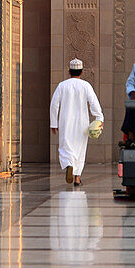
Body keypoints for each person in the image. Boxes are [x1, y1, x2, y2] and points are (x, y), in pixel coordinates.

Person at [50, 58, 104, 186]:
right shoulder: (86, 86)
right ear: (82, 72)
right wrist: (99, 118)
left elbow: (54, 105)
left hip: (65, 122)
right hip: (82, 123)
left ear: (69, 71)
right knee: (80, 149)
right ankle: (77, 178)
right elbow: (94, 103)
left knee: (65, 147)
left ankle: (69, 164)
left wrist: (54, 123)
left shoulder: (62, 85)